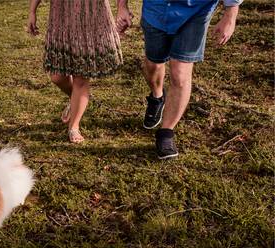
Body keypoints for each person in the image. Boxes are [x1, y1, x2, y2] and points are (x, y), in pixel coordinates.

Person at [116, 0, 243, 159]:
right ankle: (157, 96)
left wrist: (231, 13)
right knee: (153, 64)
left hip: (195, 12)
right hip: (156, 10)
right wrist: (122, 7)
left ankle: (166, 133)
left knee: (180, 74)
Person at [27, 0, 123, 143]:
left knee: (81, 77)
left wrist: (122, 8)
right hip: (61, 17)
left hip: (91, 15)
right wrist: (32, 12)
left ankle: (74, 126)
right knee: (57, 77)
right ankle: (75, 100)